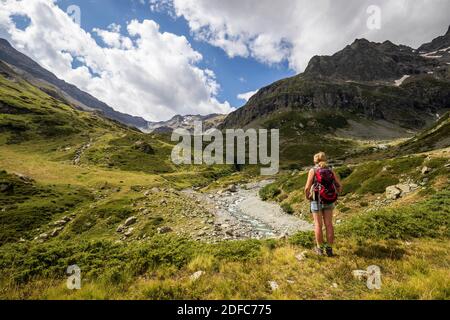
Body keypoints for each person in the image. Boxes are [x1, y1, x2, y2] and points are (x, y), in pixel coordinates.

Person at [304, 152, 342, 257]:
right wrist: (335, 195)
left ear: (315, 160)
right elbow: (339, 185)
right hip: (329, 199)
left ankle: (320, 249)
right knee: (329, 224)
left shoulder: (313, 170)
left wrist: (308, 197)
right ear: (325, 159)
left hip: (316, 200)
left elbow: (307, 187)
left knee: (318, 225)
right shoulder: (330, 170)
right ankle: (329, 249)